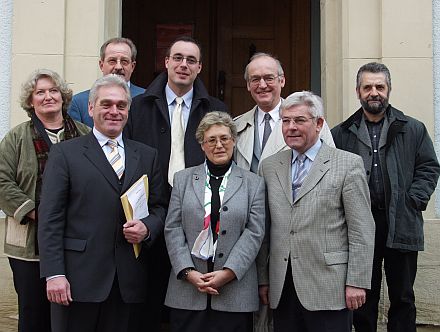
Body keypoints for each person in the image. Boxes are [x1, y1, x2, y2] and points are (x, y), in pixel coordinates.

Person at [38, 74, 167, 332]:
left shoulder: (147, 155)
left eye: (121, 105)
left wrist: (148, 227)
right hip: (77, 280)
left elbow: (160, 207)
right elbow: (50, 217)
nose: (114, 111)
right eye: (106, 104)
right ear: (91, 108)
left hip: (128, 281)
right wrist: (54, 274)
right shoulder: (65, 154)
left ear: (128, 110)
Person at [124, 35, 228, 330]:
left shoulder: (216, 109)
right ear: (166, 62)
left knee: (191, 304)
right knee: (148, 299)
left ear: (200, 68)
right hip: (150, 216)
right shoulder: (138, 106)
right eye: (178, 58)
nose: (184, 65)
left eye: (191, 60)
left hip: (200, 216)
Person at [331, 62, 440, 332]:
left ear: (388, 89)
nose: (374, 92)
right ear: (358, 91)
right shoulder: (341, 134)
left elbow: (429, 167)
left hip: (401, 220)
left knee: (403, 295)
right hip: (359, 225)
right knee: (362, 294)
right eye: (367, 87)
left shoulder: (412, 128)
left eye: (380, 86)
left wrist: (412, 200)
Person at [258, 91, 375, 332]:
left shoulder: (347, 164)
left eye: (299, 120)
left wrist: (357, 281)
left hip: (330, 286)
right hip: (283, 287)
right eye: (286, 120)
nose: (291, 127)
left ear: (319, 123)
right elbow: (264, 230)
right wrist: (263, 279)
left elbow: (361, 229)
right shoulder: (269, 167)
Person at [0, 69, 90, 332]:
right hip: (28, 245)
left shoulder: (85, 135)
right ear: (31, 101)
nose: (48, 96)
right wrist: (36, 212)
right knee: (33, 313)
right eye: (40, 92)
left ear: (63, 97)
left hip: (76, 241)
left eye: (53, 91)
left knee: (72, 313)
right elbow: (2, 181)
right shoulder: (16, 137)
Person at [164, 111, 265, 332]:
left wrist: (228, 272)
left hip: (234, 292)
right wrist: (189, 272)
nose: (219, 145)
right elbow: (172, 229)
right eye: (211, 140)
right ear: (202, 145)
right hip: (188, 290)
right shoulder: (183, 179)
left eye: (224, 138)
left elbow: (254, 233)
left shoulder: (253, 183)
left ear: (234, 141)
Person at [234, 52, 334, 174]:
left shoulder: (313, 121)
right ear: (248, 85)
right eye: (255, 79)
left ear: (282, 81)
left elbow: (330, 167)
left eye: (269, 78)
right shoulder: (237, 126)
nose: (262, 85)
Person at [68, 37, 144, 127]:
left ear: (132, 66)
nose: (118, 67)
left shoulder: (147, 99)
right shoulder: (78, 103)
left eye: (124, 61)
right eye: (112, 61)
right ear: (101, 65)